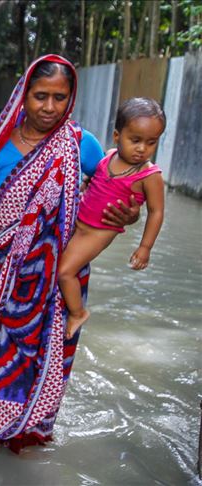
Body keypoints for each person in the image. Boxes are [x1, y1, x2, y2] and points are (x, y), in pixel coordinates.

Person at [0, 55, 140, 452]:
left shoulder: (82, 145)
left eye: (59, 98)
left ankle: (26, 437)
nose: (49, 107)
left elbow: (111, 197)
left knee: (46, 360)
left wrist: (129, 216)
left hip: (57, 278)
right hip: (1, 275)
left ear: (71, 99)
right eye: (40, 96)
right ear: (23, 97)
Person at [59, 98, 166, 338]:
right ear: (117, 136)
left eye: (151, 142)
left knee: (64, 272)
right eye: (135, 140)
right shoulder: (108, 156)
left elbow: (156, 212)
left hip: (99, 231)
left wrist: (145, 247)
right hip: (79, 219)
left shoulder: (150, 176)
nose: (142, 149)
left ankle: (78, 313)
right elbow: (95, 179)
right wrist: (86, 184)